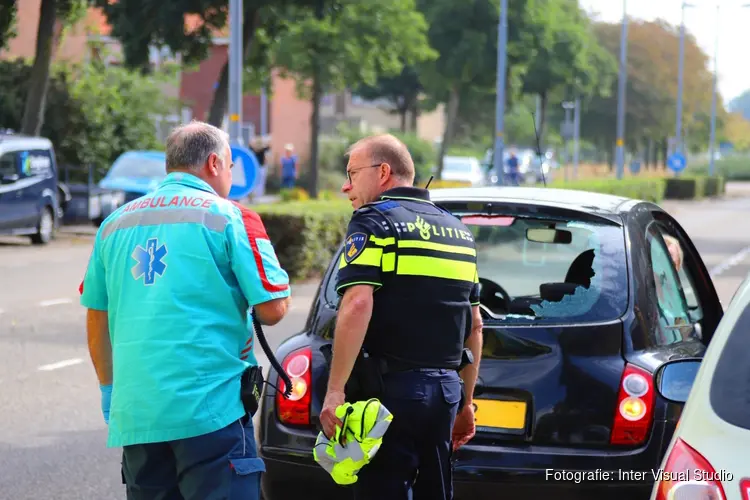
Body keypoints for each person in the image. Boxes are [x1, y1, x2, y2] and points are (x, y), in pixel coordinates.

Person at [79, 120, 292, 500]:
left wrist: (110, 393)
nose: (230, 174)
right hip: (212, 412)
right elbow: (273, 309)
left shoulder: (114, 225)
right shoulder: (232, 217)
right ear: (214, 163)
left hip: (138, 415)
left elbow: (96, 317)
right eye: (230, 165)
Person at [319, 134, 484, 500]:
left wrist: (334, 392)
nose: (346, 186)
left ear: (383, 172)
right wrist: (467, 403)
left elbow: (357, 304)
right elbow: (474, 325)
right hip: (446, 395)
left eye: (352, 173)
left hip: (390, 396)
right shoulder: (459, 232)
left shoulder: (374, 221)